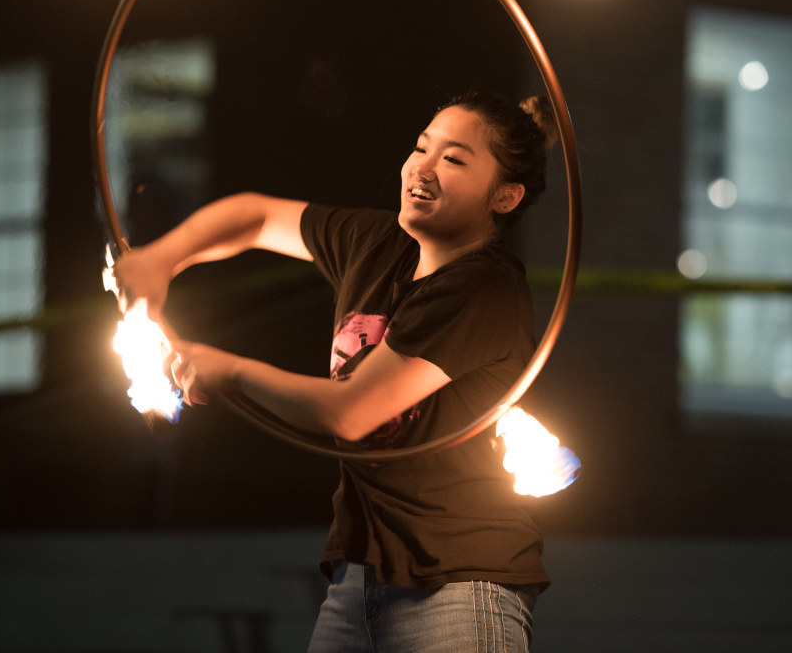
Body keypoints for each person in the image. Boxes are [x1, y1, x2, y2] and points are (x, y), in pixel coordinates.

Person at [113, 90, 559, 652]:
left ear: (506, 195)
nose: (423, 166)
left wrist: (224, 369)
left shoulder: (484, 287)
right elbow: (255, 217)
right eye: (422, 147)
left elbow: (354, 411)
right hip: (358, 577)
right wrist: (162, 258)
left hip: (460, 585)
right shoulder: (374, 245)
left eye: (454, 159)